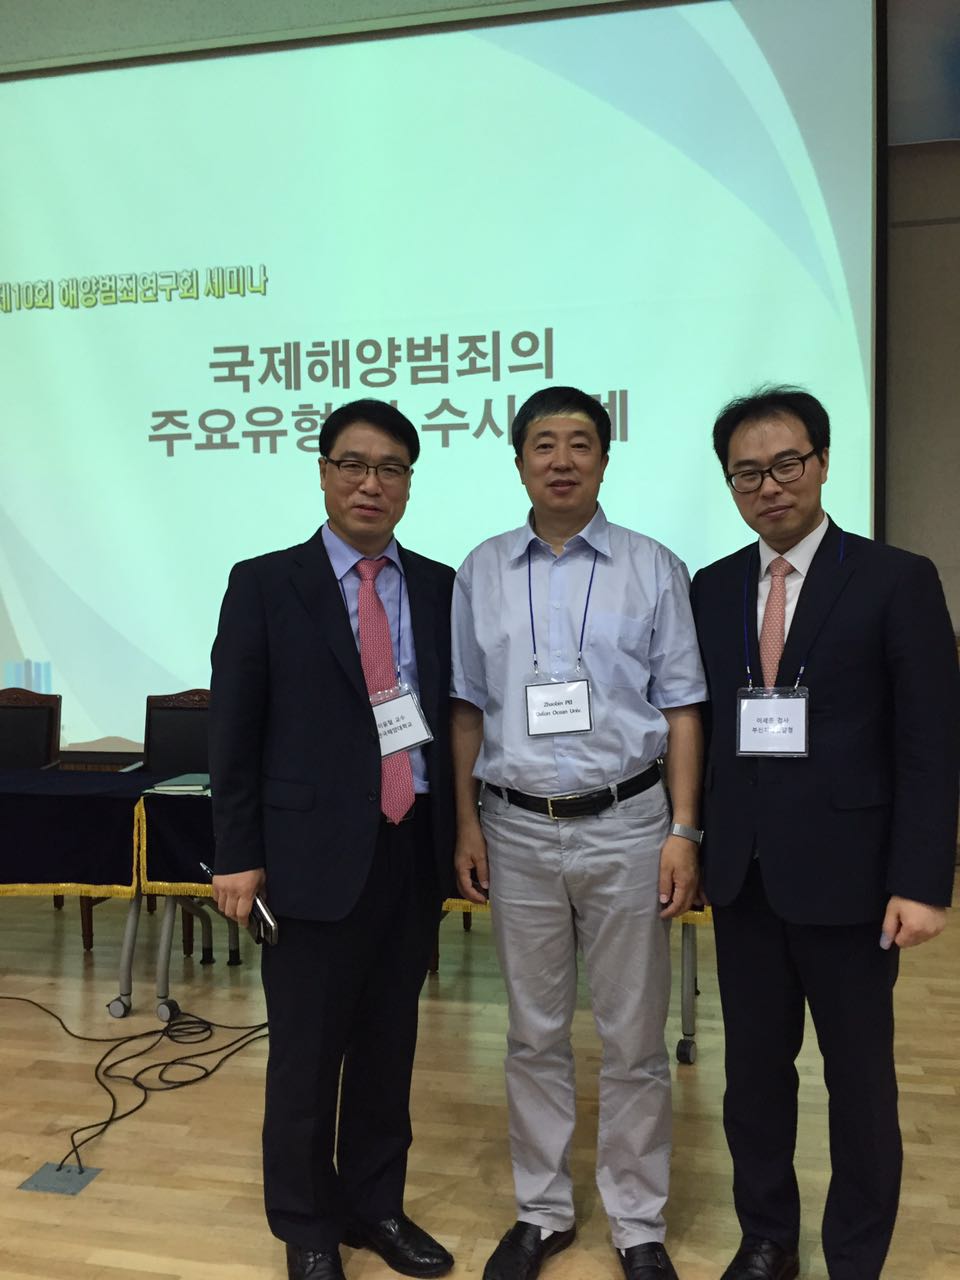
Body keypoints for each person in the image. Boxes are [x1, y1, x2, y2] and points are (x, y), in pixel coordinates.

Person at [690, 386, 959, 1280]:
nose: (768, 487)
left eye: (786, 465)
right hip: (745, 878)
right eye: (747, 474)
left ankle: (854, 1256)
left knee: (861, 1086)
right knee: (753, 1080)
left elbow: (930, 743)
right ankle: (766, 1238)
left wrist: (922, 880)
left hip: (854, 882)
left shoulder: (896, 578)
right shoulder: (713, 586)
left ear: (823, 462)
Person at [451, 386, 706, 1280]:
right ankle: (543, 1210)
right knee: (533, 1034)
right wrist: (466, 824)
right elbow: (468, 709)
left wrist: (683, 829)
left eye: (581, 443)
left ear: (604, 457)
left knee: (636, 1039)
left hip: (630, 826)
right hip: (515, 829)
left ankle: (637, 1222)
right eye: (544, 444)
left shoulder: (653, 567)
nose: (562, 460)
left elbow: (682, 707)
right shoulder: (480, 570)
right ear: (519, 459)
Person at [209, 399, 456, 1280]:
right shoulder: (264, 583)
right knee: (307, 1061)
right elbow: (233, 731)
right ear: (323, 473)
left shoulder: (438, 585)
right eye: (353, 464)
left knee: (390, 1049)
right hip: (307, 860)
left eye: (391, 468)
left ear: (409, 483)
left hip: (410, 848)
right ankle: (308, 1227)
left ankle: (375, 1207)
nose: (370, 483)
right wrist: (237, 854)